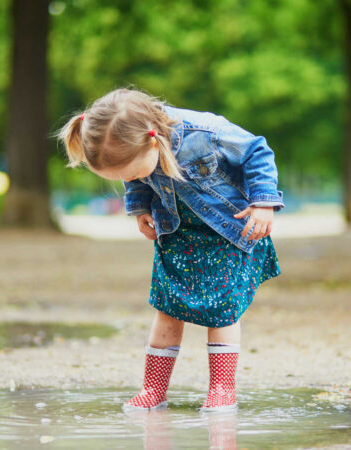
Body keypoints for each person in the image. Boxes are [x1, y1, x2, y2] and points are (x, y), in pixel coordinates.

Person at [56, 86, 284, 412]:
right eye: (123, 176)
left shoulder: (206, 133)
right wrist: (139, 207)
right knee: (167, 308)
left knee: (222, 311)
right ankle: (154, 389)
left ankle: (222, 389)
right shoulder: (133, 145)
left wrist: (263, 202)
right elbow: (137, 180)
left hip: (228, 232)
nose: (131, 178)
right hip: (176, 235)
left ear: (152, 141)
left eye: (134, 172)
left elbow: (257, 151)